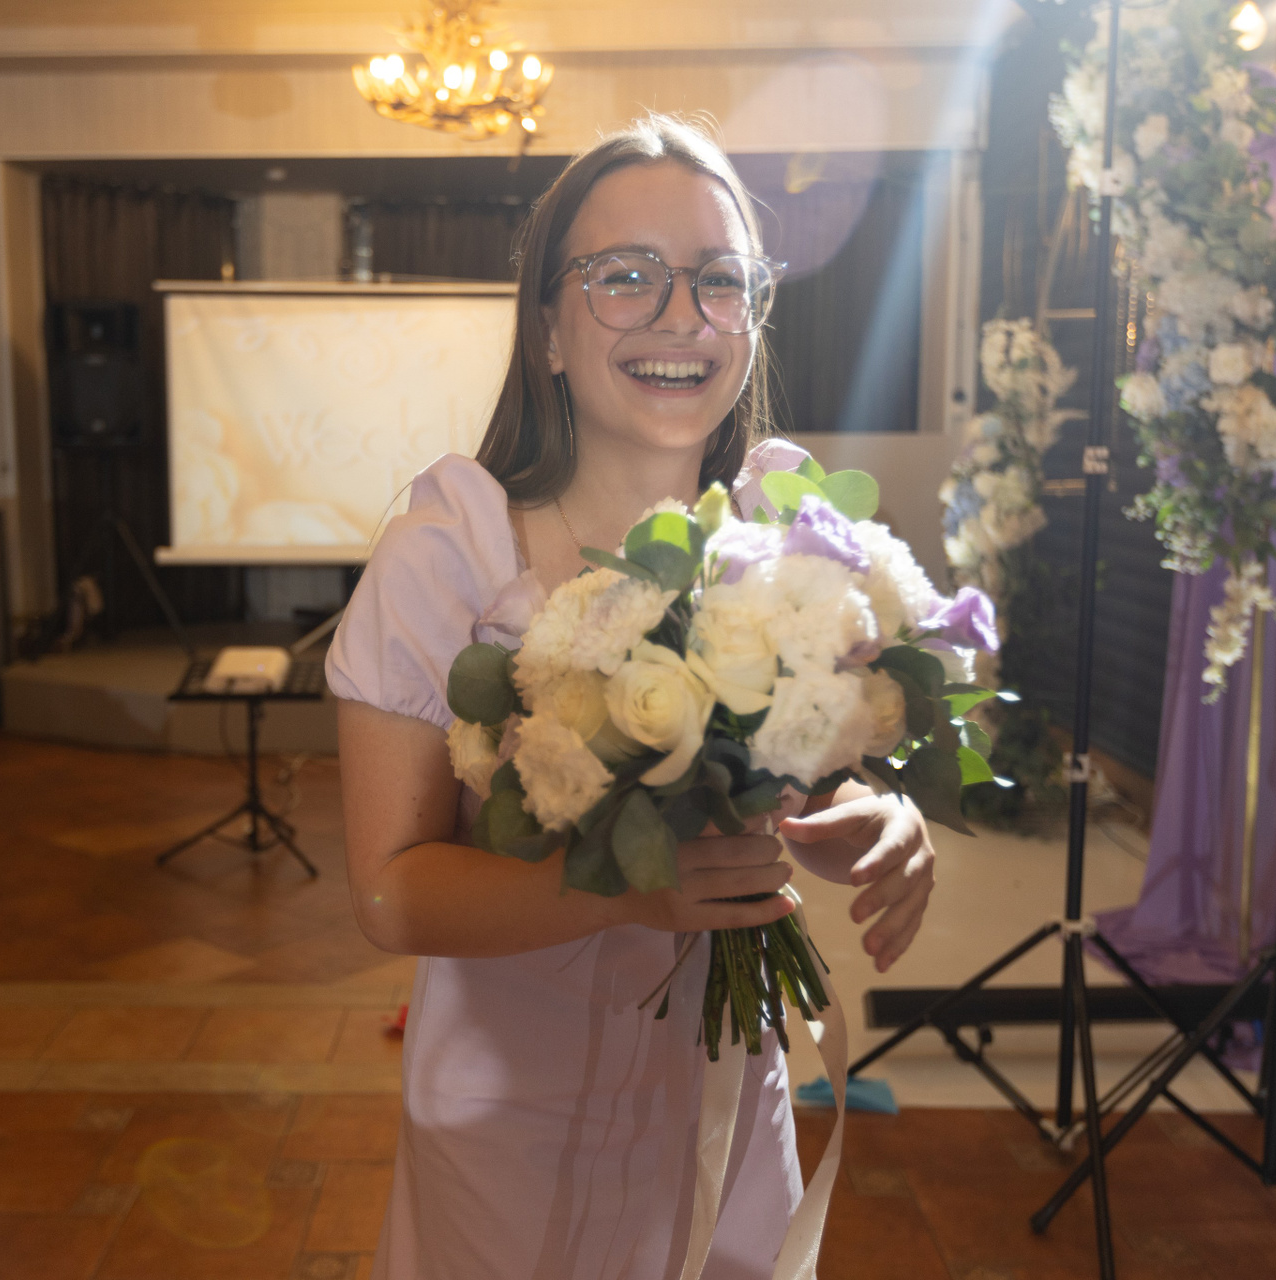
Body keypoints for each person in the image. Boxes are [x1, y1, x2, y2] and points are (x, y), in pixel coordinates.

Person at [326, 115, 939, 1280]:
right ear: (547, 329)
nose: (681, 315)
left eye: (721, 280)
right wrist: (623, 891)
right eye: (625, 276)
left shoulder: (780, 534)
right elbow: (390, 892)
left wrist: (876, 813)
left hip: (722, 1097)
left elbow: (794, 776)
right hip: (508, 1119)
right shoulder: (451, 553)